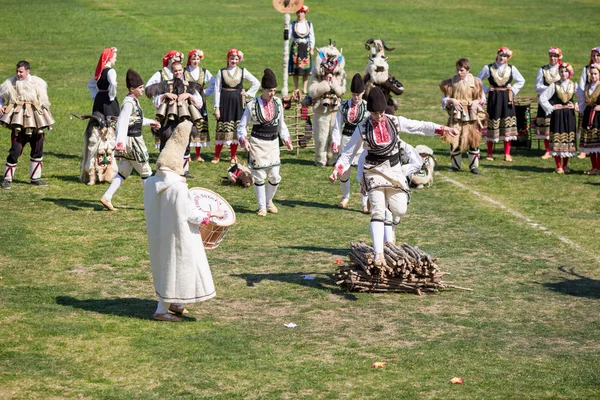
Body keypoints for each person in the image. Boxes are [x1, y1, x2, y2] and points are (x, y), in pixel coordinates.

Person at [329, 87, 457, 265]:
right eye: (375, 113)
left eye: (381, 112)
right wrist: (338, 168)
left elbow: (417, 126)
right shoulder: (362, 127)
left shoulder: (394, 121)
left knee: (400, 209)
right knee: (377, 211)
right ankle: (378, 254)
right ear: (370, 112)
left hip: (394, 170)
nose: (379, 116)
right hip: (373, 171)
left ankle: (389, 222)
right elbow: (348, 152)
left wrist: (442, 129)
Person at [143, 121, 224, 322]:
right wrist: (209, 215)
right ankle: (161, 310)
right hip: (179, 235)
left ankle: (174, 302)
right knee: (177, 266)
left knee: (168, 266)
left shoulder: (152, 182)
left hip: (161, 234)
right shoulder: (177, 187)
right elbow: (189, 213)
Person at [100, 70, 161, 211]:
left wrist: (151, 122)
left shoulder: (133, 101)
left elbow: (136, 120)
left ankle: (107, 197)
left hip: (132, 140)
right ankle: (152, 204)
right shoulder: (129, 103)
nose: (142, 90)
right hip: (132, 141)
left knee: (124, 170)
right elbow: (122, 121)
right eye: (140, 88)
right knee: (146, 171)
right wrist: (120, 143)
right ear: (132, 89)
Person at [237, 68, 293, 216]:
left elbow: (282, 124)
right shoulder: (252, 105)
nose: (272, 93)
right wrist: (244, 139)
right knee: (259, 176)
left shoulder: (278, 103)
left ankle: (269, 201)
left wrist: (286, 139)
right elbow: (242, 126)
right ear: (263, 89)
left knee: (275, 175)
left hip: (273, 143)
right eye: (269, 90)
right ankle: (262, 206)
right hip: (257, 143)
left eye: (274, 90)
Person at [0, 60, 54, 190]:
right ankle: (7, 179)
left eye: (21, 72)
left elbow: (43, 100)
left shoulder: (38, 83)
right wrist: (0, 106)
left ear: (27, 71)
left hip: (36, 120)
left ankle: (35, 178)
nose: (18, 74)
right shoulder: (10, 84)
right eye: (17, 71)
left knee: (38, 148)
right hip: (18, 121)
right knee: (15, 150)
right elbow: (0, 95)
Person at [150, 61, 203, 179]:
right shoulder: (164, 85)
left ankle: (185, 169)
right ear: (171, 71)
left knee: (185, 141)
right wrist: (165, 95)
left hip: (185, 118)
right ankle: (163, 168)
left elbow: (199, 103)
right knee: (166, 138)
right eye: (175, 71)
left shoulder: (190, 85)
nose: (178, 72)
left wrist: (189, 96)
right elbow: (155, 101)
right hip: (168, 118)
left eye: (180, 70)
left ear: (182, 70)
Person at [477, 46, 525, 162]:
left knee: (507, 123)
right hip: (495, 98)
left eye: (505, 56)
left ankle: (507, 153)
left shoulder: (511, 68)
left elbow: (521, 80)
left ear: (508, 58)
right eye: (501, 55)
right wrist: (486, 89)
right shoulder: (488, 68)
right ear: (497, 55)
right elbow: (477, 79)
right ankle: (489, 153)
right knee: (493, 122)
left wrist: (512, 89)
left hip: (507, 98)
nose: (502, 58)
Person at [213, 48, 260, 164]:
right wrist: (217, 107)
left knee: (236, 128)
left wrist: (248, 93)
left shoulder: (242, 71)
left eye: (236, 58)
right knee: (222, 128)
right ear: (228, 59)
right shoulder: (221, 72)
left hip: (237, 103)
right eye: (231, 58)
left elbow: (256, 82)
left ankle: (233, 155)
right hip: (224, 102)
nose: (234, 60)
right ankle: (217, 155)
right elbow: (217, 90)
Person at [440, 58, 486, 174]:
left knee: (472, 139)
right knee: (454, 139)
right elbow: (444, 99)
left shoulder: (475, 82)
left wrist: (476, 102)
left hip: (471, 116)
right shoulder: (451, 82)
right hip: (456, 115)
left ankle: (474, 166)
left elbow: (481, 98)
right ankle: (455, 166)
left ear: (468, 70)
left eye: (462, 70)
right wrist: (452, 100)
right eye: (458, 70)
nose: (459, 73)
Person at [331, 73, 369, 209]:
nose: (356, 97)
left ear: (363, 92)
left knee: (363, 173)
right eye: (353, 94)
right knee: (344, 172)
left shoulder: (367, 107)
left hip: (362, 143)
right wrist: (335, 142)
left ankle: (365, 202)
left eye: (358, 94)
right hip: (346, 140)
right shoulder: (344, 107)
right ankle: (345, 196)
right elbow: (337, 126)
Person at [539, 63, 578, 174]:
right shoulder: (554, 85)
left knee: (568, 138)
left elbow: (582, 98)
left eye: (566, 71)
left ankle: (565, 165)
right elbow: (543, 97)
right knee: (558, 138)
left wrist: (575, 106)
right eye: (561, 71)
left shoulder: (574, 85)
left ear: (569, 73)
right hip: (558, 115)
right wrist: (551, 107)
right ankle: (558, 166)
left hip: (569, 114)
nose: (563, 74)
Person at [185, 49, 215, 162]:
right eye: (193, 59)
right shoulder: (184, 71)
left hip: (200, 104)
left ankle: (197, 154)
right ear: (190, 59)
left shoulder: (204, 72)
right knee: (187, 126)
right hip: (187, 103)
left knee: (199, 126)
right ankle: (186, 153)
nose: (195, 61)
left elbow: (215, 83)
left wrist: (204, 93)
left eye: (197, 59)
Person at [535, 47, 562, 159]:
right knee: (546, 126)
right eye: (551, 56)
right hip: (545, 99)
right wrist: (549, 88)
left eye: (555, 56)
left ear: (558, 57)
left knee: (557, 124)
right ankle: (547, 150)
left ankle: (557, 147)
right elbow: (538, 86)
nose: (553, 58)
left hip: (558, 99)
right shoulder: (543, 69)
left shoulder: (562, 69)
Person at [577, 63, 600, 175]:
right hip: (588, 115)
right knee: (591, 143)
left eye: (595, 74)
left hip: (598, 117)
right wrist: (579, 107)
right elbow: (583, 102)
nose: (593, 76)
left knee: (598, 143)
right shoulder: (587, 87)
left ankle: (598, 167)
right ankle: (593, 167)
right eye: (591, 74)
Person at [288, 5, 315, 95]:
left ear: (305, 13)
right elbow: (288, 37)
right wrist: (286, 29)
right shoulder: (293, 24)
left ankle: (304, 88)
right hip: (296, 47)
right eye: (298, 12)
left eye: (302, 12)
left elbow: (312, 37)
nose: (300, 14)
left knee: (305, 70)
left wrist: (311, 48)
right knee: (296, 70)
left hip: (306, 47)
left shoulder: (309, 24)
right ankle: (296, 88)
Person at [88, 47, 119, 118]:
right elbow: (113, 83)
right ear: (110, 58)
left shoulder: (99, 72)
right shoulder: (111, 71)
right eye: (115, 58)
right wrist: (112, 96)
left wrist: (95, 95)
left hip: (99, 100)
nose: (116, 60)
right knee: (112, 122)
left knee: (98, 121)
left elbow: (90, 85)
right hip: (109, 102)